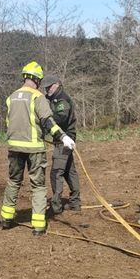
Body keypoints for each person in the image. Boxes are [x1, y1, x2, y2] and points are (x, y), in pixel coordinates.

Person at [0, 61, 75, 236]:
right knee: (38, 186)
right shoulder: (37, 97)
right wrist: (63, 137)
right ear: (37, 80)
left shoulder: (11, 97)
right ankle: (39, 225)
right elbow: (48, 122)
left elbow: (9, 123)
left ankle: (6, 219)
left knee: (13, 181)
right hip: (34, 149)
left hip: (14, 147)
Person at [45, 77, 81, 215]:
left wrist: (46, 119)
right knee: (69, 171)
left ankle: (56, 206)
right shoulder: (54, 99)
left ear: (58, 84)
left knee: (56, 172)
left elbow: (61, 118)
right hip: (63, 139)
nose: (47, 89)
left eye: (50, 87)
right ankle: (75, 202)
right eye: (46, 88)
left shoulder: (62, 100)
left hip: (64, 140)